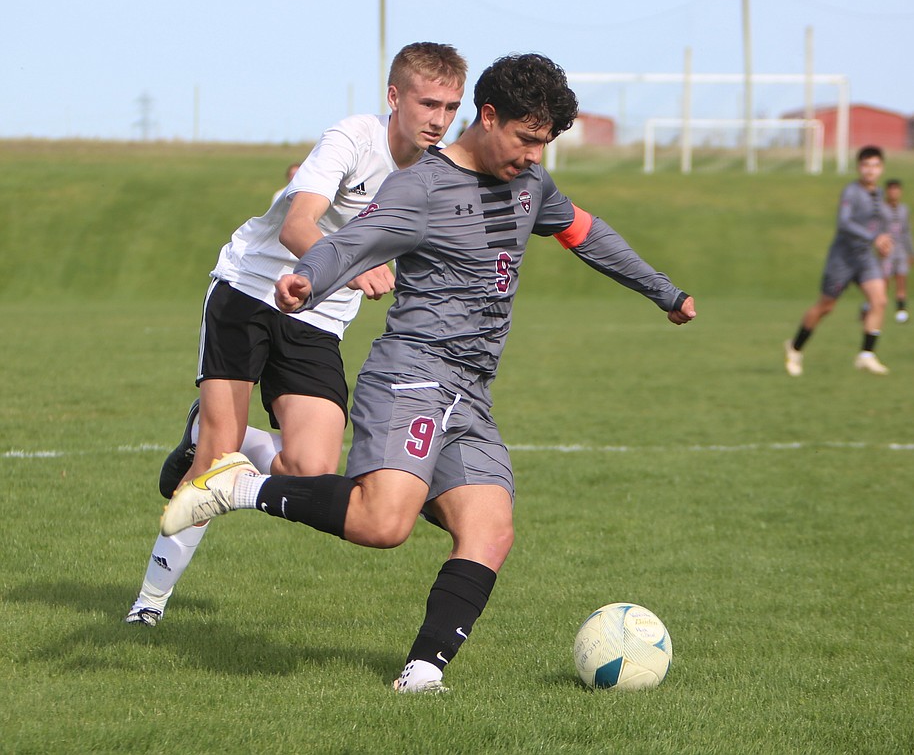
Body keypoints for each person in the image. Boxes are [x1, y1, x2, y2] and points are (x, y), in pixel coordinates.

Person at [160, 53, 697, 693]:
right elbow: (354, 239)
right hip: (413, 375)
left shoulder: (533, 185)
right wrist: (310, 278)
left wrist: (663, 291)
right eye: (526, 138)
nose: (532, 154)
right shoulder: (422, 187)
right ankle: (238, 488)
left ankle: (421, 675)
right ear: (488, 115)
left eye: (544, 143)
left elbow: (587, 233)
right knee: (383, 525)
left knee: (491, 529)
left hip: (471, 392)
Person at [125, 42, 468, 627]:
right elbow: (296, 226)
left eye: (451, 106)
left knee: (310, 469)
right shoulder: (353, 138)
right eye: (427, 102)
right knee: (215, 458)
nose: (439, 119)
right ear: (394, 98)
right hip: (250, 292)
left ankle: (208, 431)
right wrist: (356, 266)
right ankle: (148, 606)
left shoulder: (440, 176)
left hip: (319, 320)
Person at [784, 145, 893, 377]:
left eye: (875, 166)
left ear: (881, 168)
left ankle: (866, 355)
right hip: (842, 260)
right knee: (826, 307)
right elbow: (844, 223)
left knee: (880, 301)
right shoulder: (851, 192)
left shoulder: (879, 193)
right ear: (858, 167)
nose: (870, 170)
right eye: (866, 165)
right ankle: (795, 347)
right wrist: (874, 238)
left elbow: (877, 225)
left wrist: (883, 244)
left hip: (865, 258)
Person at [881, 179, 914, 323]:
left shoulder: (904, 209)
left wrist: (911, 251)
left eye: (896, 190)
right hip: (886, 249)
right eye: (891, 190)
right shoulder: (881, 209)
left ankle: (901, 310)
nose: (894, 193)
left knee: (901, 280)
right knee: (884, 281)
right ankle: (875, 307)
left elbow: (907, 231)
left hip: (900, 250)